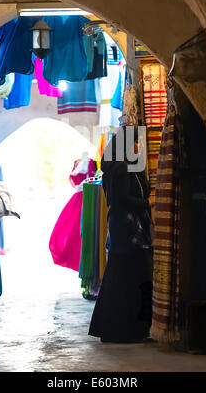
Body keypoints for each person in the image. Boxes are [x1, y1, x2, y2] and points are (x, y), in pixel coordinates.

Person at [88, 126, 153, 343]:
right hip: (127, 230)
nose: (138, 146)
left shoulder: (122, 167)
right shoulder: (122, 168)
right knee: (129, 279)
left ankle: (122, 328)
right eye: (135, 142)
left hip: (122, 229)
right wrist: (147, 203)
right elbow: (121, 199)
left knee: (122, 279)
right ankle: (125, 330)